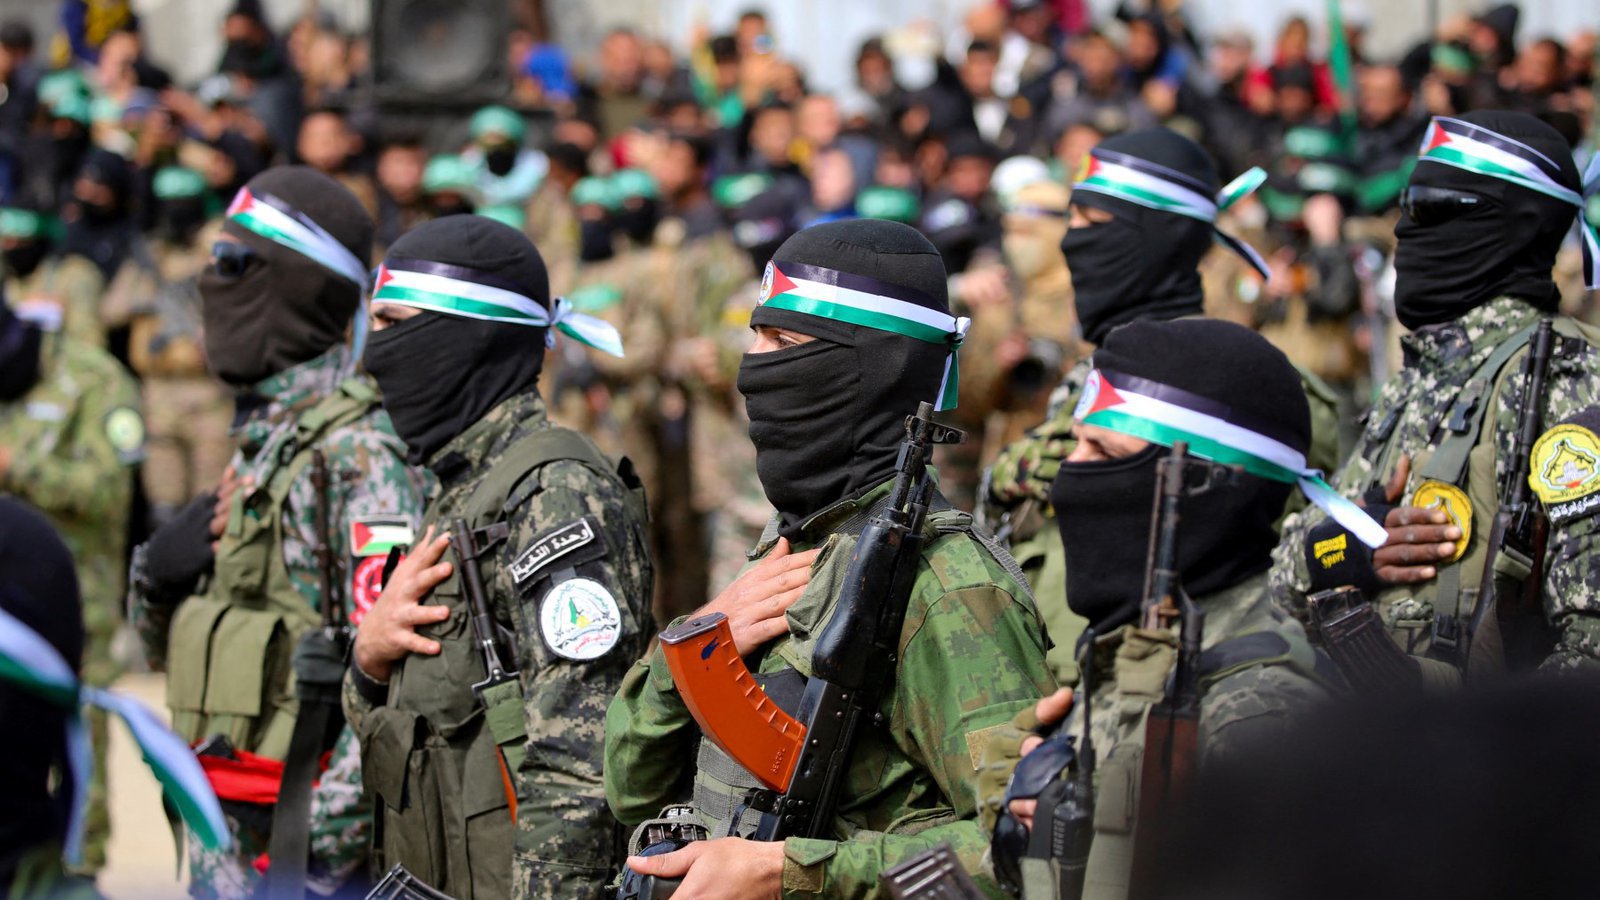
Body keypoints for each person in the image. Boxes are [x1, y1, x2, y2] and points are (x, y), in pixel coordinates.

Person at [606, 218, 1053, 896]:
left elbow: (1026, 850)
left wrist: (790, 873)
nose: (752, 367)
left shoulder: (946, 586)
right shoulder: (801, 536)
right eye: (755, 336)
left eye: (783, 343)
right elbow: (629, 788)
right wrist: (693, 648)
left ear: (865, 369)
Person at [977, 319, 1355, 900]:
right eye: (1075, 443)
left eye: (1103, 451)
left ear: (1204, 491)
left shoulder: (1259, 720)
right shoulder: (1141, 648)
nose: (1068, 478)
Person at [126, 165, 425, 898]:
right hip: (230, 849)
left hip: (298, 866)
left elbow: (395, 693)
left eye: (233, 264)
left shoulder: (357, 458)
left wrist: (302, 861)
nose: (210, 285)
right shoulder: (268, 446)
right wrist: (157, 577)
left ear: (299, 287)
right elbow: (191, 657)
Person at [341, 215, 654, 899]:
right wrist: (367, 660)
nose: (373, 355)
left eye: (392, 324)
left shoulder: (554, 496)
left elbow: (579, 765)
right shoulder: (460, 492)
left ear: (463, 337)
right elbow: (413, 735)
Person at [981, 126, 1340, 683]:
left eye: (1095, 223)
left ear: (1158, 236)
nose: (1072, 242)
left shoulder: (1240, 390)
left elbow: (1285, 569)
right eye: (1072, 220)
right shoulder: (1088, 370)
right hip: (1051, 686)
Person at [1270, 109, 1600, 673]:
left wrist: (1458, 725)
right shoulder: (1419, 377)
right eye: (1406, 204)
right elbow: (1282, 585)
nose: (1405, 229)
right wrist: (1347, 550)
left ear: (1514, 225)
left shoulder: (1564, 381)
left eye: (1429, 207)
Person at [0, 288, 142, 877]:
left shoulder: (94, 380)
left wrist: (17, 468)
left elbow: (110, 491)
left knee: (79, 756)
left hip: (76, 606)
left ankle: (78, 873)